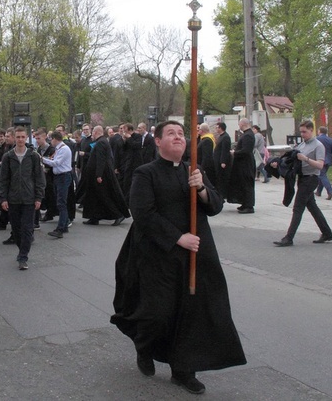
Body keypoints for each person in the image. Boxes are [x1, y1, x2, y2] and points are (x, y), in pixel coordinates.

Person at [110, 120, 246, 395]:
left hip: (195, 255)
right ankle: (145, 348)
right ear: (158, 141)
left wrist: (203, 189)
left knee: (192, 315)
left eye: (182, 134)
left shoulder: (193, 171)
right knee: (157, 313)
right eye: (171, 134)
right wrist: (176, 237)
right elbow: (143, 213)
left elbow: (215, 206)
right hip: (158, 256)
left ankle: (183, 370)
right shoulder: (145, 174)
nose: (178, 138)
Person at [272, 120, 332, 246]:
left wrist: (306, 158)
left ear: (311, 130)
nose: (302, 134)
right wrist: (278, 163)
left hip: (311, 178)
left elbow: (320, 165)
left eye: (305, 132)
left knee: (298, 207)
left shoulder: (318, 146)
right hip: (302, 177)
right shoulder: (302, 145)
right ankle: (327, 233)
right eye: (301, 132)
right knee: (312, 207)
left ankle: (289, 237)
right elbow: (291, 158)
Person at [0, 126, 45, 269]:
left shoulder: (33, 156)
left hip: (29, 199)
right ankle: (21, 248)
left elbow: (39, 178)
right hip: (13, 199)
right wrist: (3, 198)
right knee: (16, 229)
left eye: (22, 137)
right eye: (17, 137)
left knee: (27, 228)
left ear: (26, 138)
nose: (20, 140)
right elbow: (3, 179)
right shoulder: (8, 157)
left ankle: (23, 256)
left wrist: (39, 197)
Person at [78, 126, 129, 226]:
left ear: (96, 132)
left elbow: (101, 160)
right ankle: (94, 217)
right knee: (94, 197)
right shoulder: (102, 141)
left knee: (104, 196)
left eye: (92, 132)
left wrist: (99, 175)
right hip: (97, 174)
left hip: (102, 176)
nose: (91, 134)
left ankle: (118, 214)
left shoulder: (101, 142)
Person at [42, 130, 74, 238]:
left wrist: (42, 159)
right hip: (59, 177)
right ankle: (63, 225)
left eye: (51, 139)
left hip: (63, 176)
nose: (50, 142)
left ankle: (60, 228)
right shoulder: (58, 148)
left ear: (55, 139)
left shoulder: (64, 149)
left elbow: (56, 163)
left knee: (61, 203)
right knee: (60, 202)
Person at [228, 118, 256, 214]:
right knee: (243, 184)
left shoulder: (248, 135)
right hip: (243, 163)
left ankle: (249, 206)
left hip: (246, 164)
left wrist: (235, 153)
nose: (239, 126)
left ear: (243, 124)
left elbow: (246, 150)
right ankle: (245, 203)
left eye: (239, 124)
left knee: (247, 184)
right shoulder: (247, 134)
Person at [315, 126, 332, 200]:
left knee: (322, 175)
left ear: (319, 131)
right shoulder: (330, 140)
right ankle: (318, 192)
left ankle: (330, 192)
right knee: (322, 175)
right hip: (328, 161)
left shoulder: (317, 139)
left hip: (320, 160)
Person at [212, 122, 232, 200]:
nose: (216, 129)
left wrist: (223, 161)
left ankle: (222, 195)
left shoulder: (225, 137)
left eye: (217, 127)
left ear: (220, 128)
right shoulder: (221, 137)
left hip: (221, 162)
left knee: (221, 179)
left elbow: (225, 150)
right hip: (217, 160)